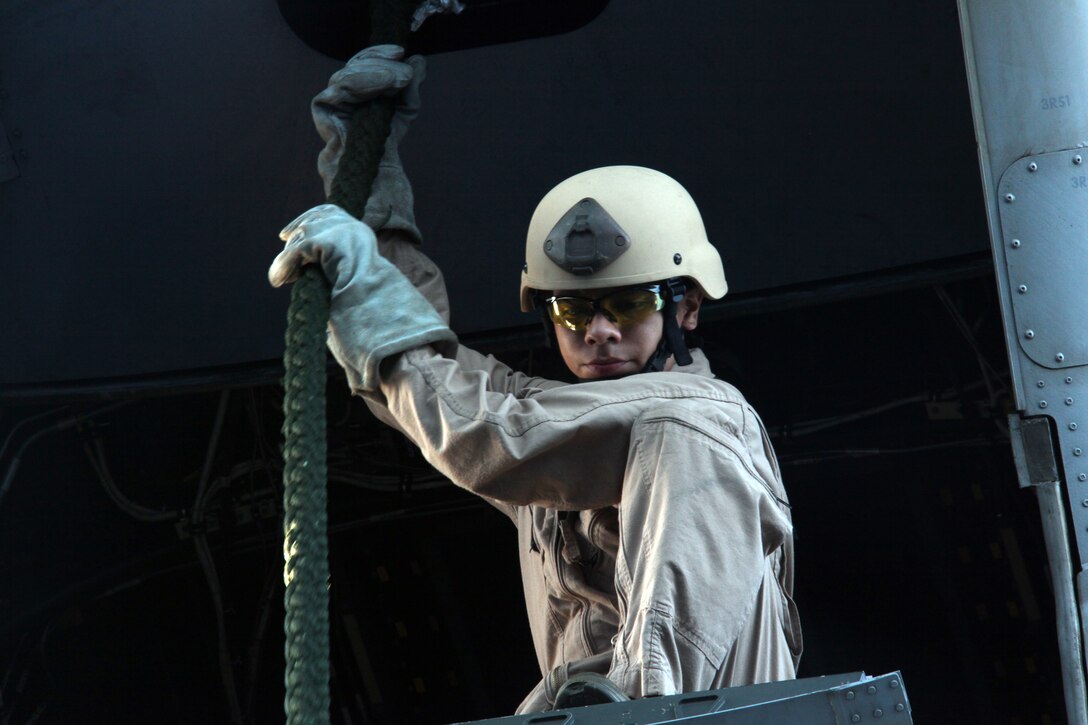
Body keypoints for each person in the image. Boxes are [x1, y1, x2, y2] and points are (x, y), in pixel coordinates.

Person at [269, 46, 801, 714]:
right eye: (574, 310)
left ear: (687, 307)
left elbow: (483, 428)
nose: (599, 330)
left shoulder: (698, 426)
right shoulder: (562, 436)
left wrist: (370, 295)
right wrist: (367, 175)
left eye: (630, 304)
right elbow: (438, 383)